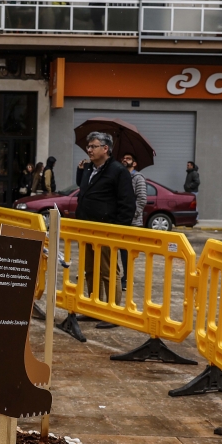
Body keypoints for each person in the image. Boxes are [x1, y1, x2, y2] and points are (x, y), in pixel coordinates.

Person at [75, 133, 136, 313]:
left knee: (108, 272)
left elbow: (127, 203)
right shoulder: (88, 169)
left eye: (93, 146)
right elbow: (85, 192)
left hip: (106, 230)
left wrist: (117, 229)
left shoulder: (118, 171)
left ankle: (111, 312)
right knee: (90, 271)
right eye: (88, 146)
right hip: (87, 229)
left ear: (105, 148)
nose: (89, 150)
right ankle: (94, 308)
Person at [122, 153, 147, 227]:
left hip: (134, 222)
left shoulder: (138, 178)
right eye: (124, 158)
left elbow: (142, 199)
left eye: (128, 158)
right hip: (121, 220)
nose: (124, 160)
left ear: (134, 163)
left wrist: (132, 214)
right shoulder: (121, 177)